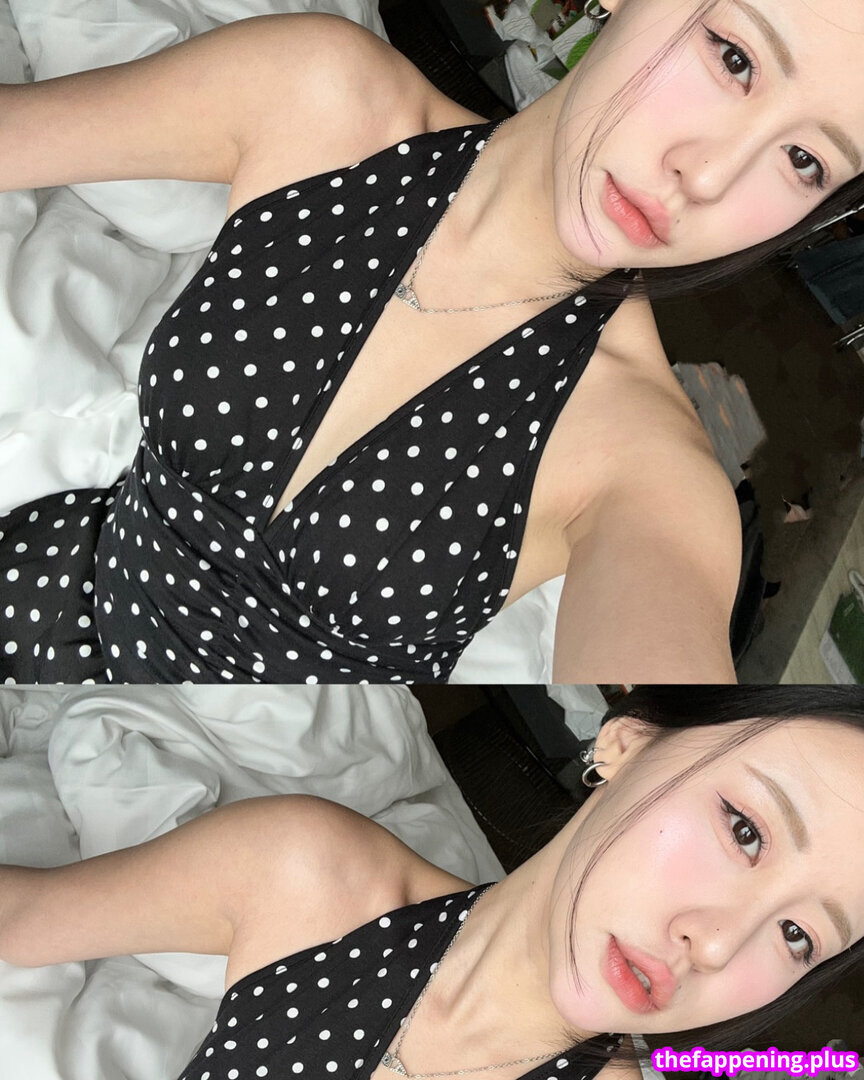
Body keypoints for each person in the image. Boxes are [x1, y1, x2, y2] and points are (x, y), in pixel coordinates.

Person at [1, 0, 863, 684]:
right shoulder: (320, 98)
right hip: (39, 580)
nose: (705, 176)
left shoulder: (649, 470)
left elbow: (684, 702)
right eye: (734, 57)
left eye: (806, 161)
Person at [1, 686, 863, 1080]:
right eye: (745, 830)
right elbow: (23, 916)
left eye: (800, 936)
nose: (714, 944)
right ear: (627, 743)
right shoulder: (307, 878)